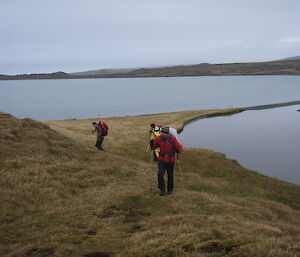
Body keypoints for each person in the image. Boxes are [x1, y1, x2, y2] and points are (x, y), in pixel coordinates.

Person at [150, 126, 183, 196]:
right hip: (161, 159)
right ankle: (162, 190)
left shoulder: (173, 139)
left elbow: (180, 148)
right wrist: (152, 143)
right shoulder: (158, 139)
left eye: (165, 133)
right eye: (162, 133)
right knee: (160, 174)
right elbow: (153, 147)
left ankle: (170, 190)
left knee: (170, 175)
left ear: (168, 133)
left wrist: (178, 150)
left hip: (170, 160)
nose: (164, 134)